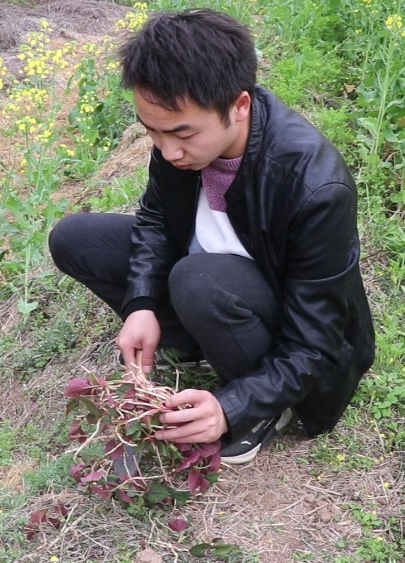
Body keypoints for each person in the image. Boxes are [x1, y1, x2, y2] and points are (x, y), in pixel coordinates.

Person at [49, 8, 375, 464]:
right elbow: (156, 220)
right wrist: (141, 303)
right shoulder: (177, 142)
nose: (169, 151)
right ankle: (202, 342)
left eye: (182, 134)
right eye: (153, 134)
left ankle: (266, 407)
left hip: (275, 319)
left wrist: (231, 405)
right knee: (74, 239)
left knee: (196, 279)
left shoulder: (315, 185)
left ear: (239, 106)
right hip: (215, 280)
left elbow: (315, 341)